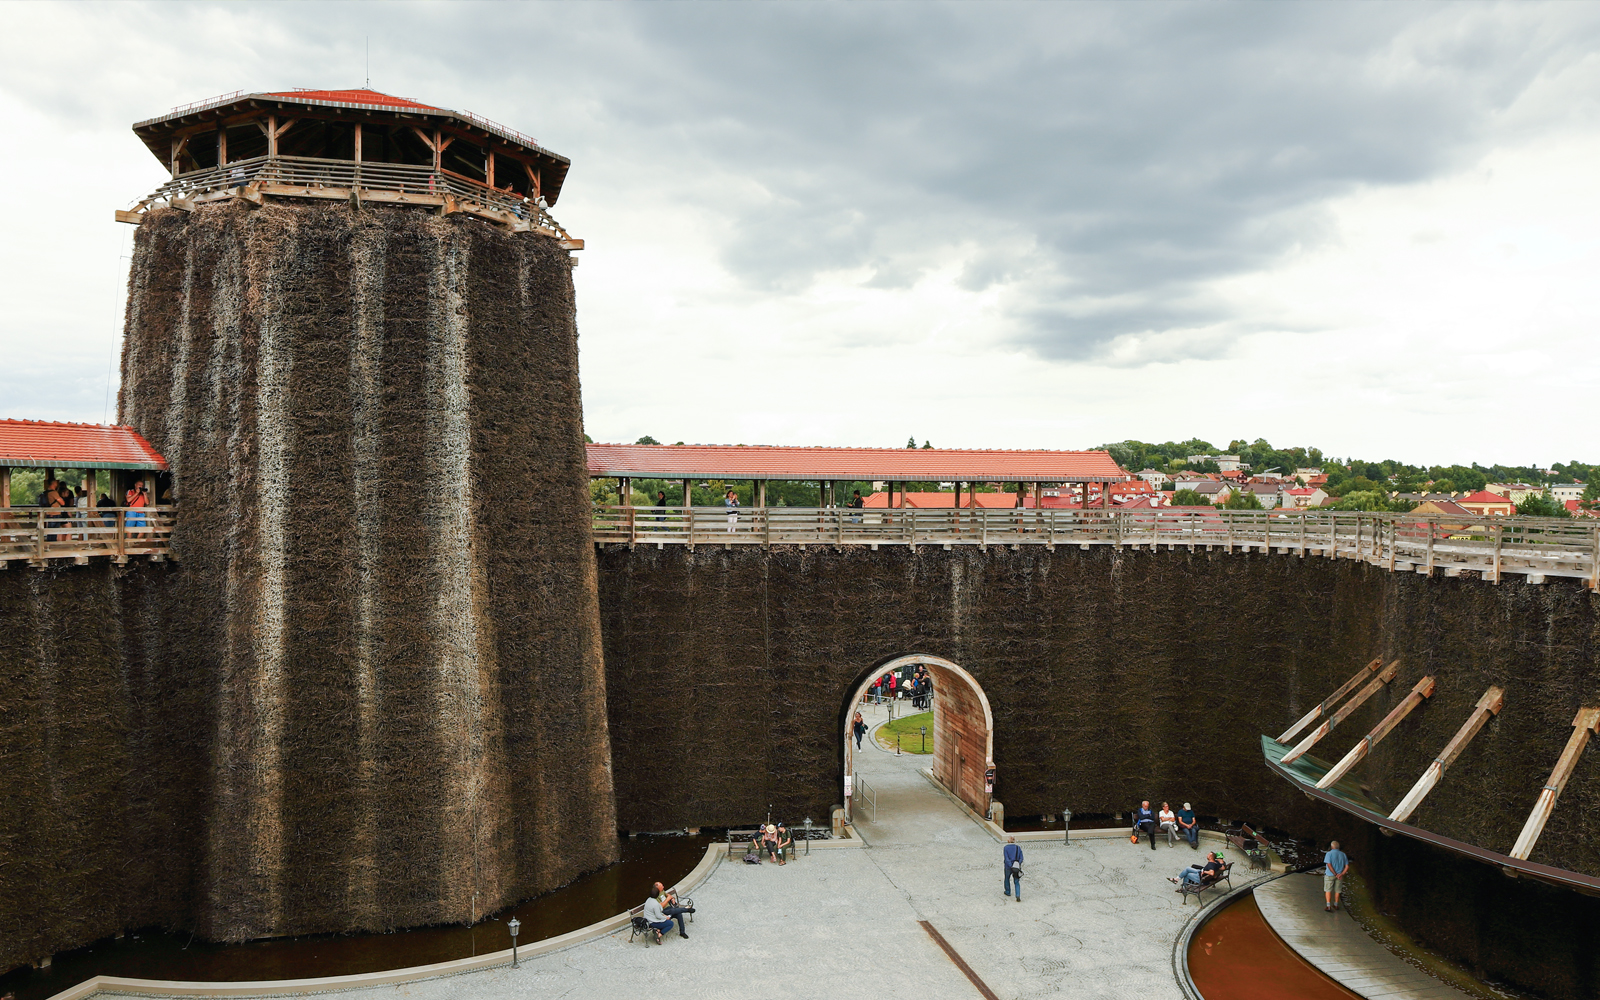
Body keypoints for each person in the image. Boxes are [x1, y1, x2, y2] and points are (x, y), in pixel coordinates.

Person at [1323, 840, 1350, 912]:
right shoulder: (1343, 854)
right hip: (1340, 876)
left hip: (1330, 875)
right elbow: (1347, 866)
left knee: (1328, 890)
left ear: (1331, 847)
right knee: (1338, 890)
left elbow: (1329, 865)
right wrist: (1341, 874)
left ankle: (1328, 906)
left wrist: (1335, 874)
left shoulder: (1329, 854)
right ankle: (1336, 904)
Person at [1003, 836, 1024, 901]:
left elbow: (1006, 858)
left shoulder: (1006, 848)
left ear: (1008, 841)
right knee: (1016, 881)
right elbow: (1021, 858)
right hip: (1016, 867)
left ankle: (1008, 891)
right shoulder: (1018, 848)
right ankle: (1017, 895)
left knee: (1007, 878)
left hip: (1008, 867)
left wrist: (1010, 865)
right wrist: (1017, 864)